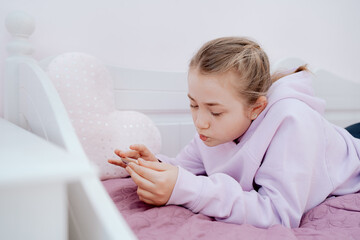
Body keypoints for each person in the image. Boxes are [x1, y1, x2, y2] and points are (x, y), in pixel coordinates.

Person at [108, 37, 360, 228]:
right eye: (194, 105)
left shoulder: (293, 122)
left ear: (256, 108)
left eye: (215, 112)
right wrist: (156, 165)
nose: (200, 122)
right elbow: (186, 170)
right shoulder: (213, 132)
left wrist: (190, 190)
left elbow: (280, 214)